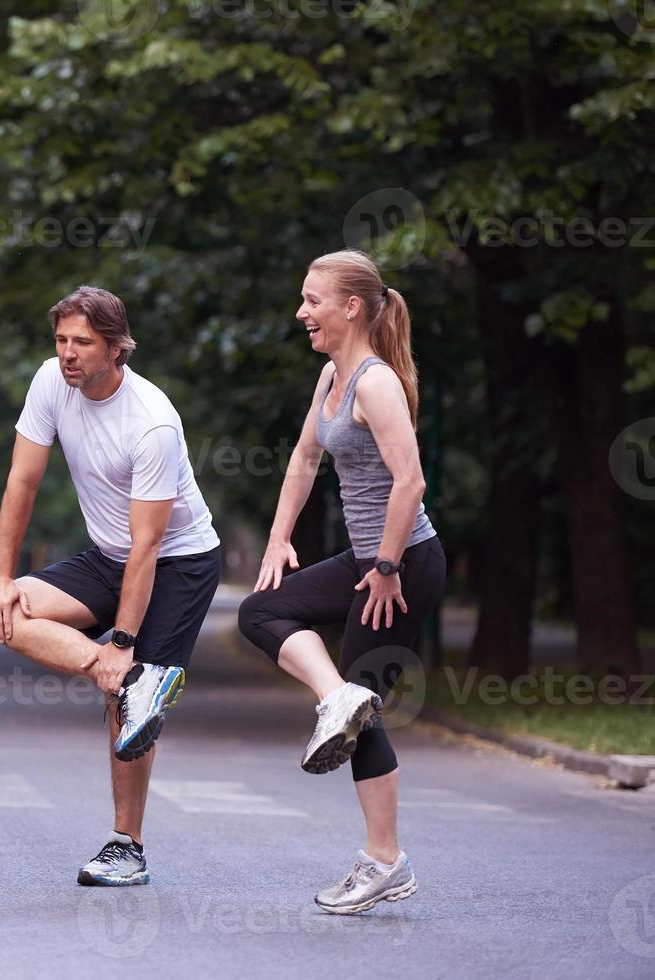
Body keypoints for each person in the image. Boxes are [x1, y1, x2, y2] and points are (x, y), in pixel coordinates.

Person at [0, 286, 223, 887]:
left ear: (116, 348)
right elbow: (23, 480)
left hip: (178, 563)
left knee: (123, 705)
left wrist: (123, 639)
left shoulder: (152, 423)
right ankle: (135, 682)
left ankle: (126, 846)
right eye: (61, 340)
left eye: (82, 343)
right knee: (12, 610)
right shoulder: (49, 383)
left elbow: (148, 546)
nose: (68, 354)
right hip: (108, 555)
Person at [237, 249, 446, 914]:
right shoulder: (332, 375)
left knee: (365, 712)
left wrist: (386, 567)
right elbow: (303, 457)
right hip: (366, 560)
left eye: (312, 300)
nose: (302, 313)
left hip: (403, 565)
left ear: (351, 306)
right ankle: (336, 698)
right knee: (260, 610)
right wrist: (278, 537)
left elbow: (410, 481)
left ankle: (385, 861)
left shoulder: (377, 384)